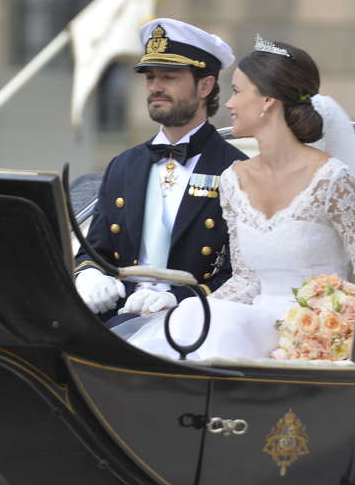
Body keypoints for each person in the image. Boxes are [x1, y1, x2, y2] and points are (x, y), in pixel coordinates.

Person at [126, 37, 355, 361]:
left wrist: (338, 333)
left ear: (267, 100)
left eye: (237, 92)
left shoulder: (333, 179)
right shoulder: (234, 179)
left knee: (222, 323)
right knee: (196, 312)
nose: (229, 105)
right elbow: (246, 280)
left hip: (311, 333)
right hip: (251, 324)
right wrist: (196, 308)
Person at [74, 19, 247, 321]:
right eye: (150, 77)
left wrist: (176, 298)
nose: (155, 87)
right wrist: (89, 276)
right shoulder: (123, 164)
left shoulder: (239, 169)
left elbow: (242, 275)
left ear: (205, 85)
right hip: (116, 321)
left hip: (195, 326)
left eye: (169, 77)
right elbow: (94, 251)